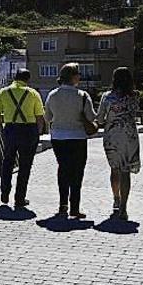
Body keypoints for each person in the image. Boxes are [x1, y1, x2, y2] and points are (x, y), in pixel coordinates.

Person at [44, 63, 96, 218]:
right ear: (74, 77)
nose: (80, 76)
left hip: (58, 138)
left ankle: (62, 205)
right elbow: (92, 117)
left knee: (63, 170)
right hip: (78, 137)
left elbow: (48, 117)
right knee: (77, 173)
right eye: (78, 74)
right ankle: (75, 207)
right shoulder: (82, 96)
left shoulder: (52, 95)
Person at [0, 68, 45, 207]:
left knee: (7, 162)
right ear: (27, 80)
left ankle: (4, 192)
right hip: (28, 130)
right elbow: (40, 117)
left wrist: (1, 129)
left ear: (15, 78)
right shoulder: (33, 93)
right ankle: (19, 198)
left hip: (10, 129)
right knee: (25, 165)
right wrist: (37, 134)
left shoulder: (4, 92)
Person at [97, 67, 141, 221]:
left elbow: (100, 119)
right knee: (126, 171)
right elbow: (134, 113)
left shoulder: (107, 97)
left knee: (115, 169)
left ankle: (116, 198)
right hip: (129, 137)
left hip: (112, 137)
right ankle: (124, 207)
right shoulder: (134, 96)